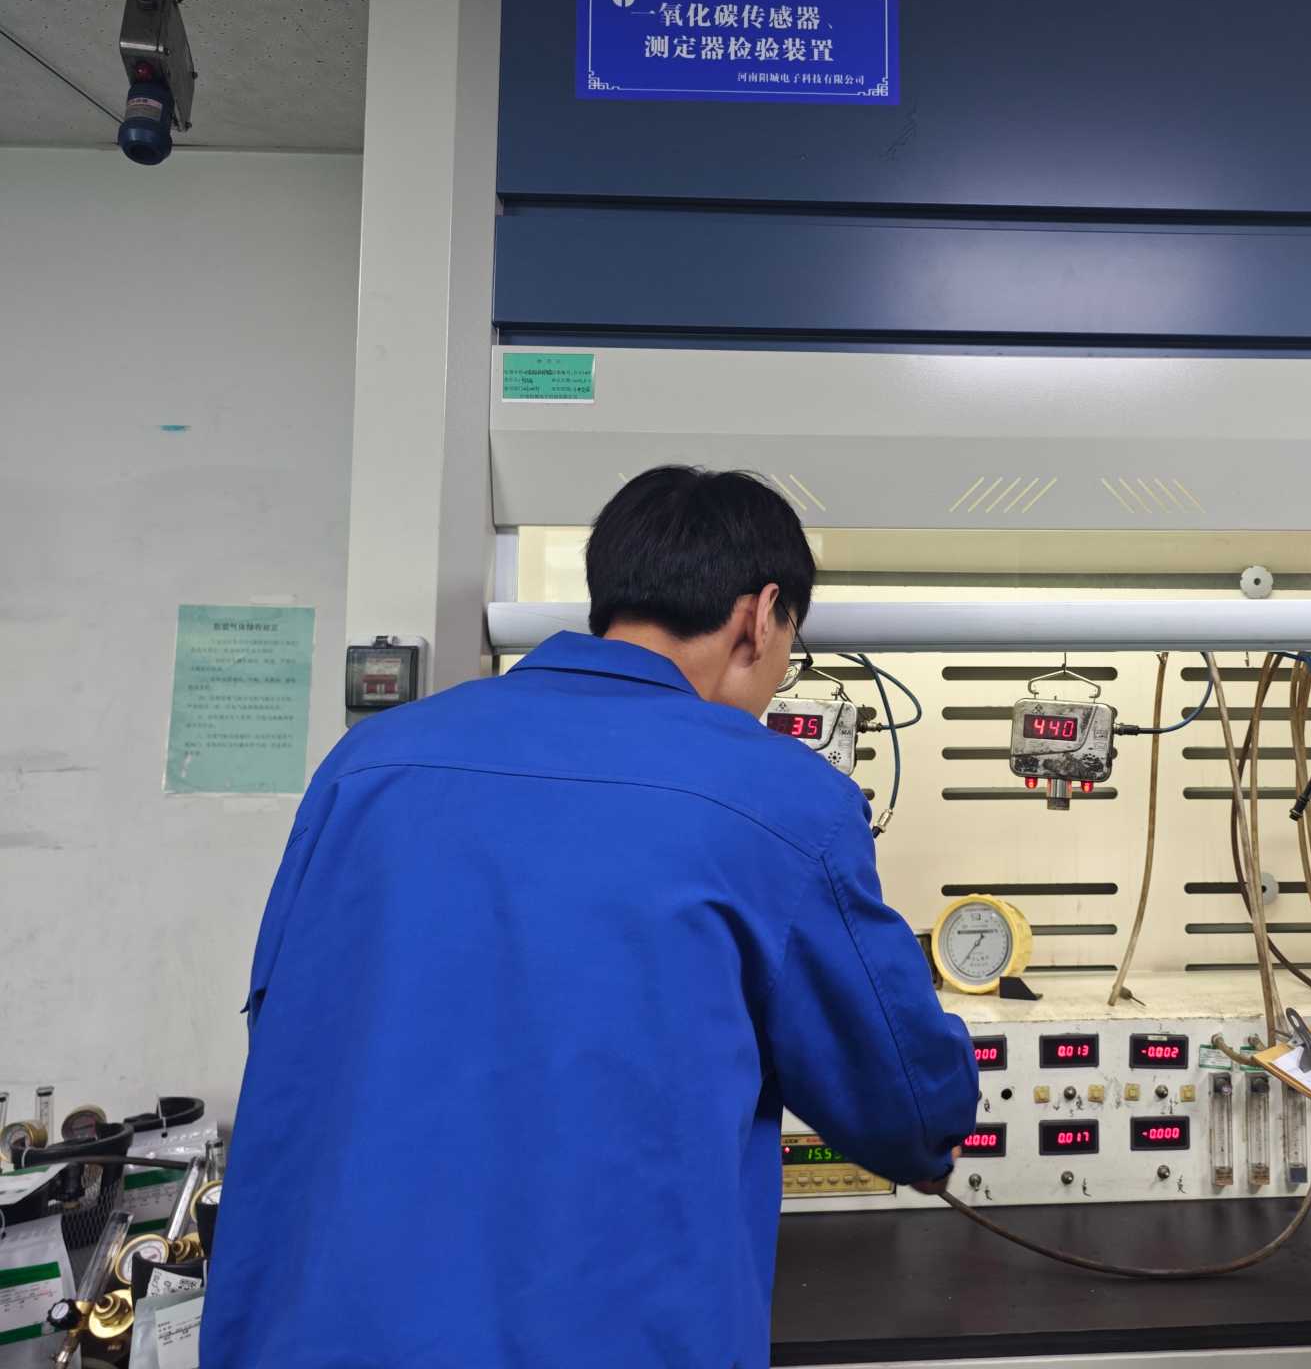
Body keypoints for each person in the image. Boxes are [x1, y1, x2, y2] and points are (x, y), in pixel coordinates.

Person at [205, 467, 979, 1367]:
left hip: (321, 1330)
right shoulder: (782, 798)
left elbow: (289, 1028)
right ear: (760, 616)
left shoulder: (366, 763)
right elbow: (907, 1107)